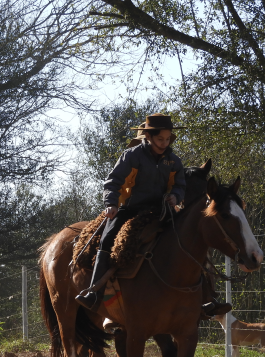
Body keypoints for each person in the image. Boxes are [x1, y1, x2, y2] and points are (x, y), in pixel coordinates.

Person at [75, 113, 231, 317]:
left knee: (191, 242)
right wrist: (111, 204)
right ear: (148, 137)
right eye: (160, 139)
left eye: (168, 139)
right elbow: (112, 182)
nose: (164, 143)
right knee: (106, 241)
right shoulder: (131, 155)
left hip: (161, 211)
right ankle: (94, 293)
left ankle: (206, 298)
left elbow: (180, 186)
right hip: (129, 210)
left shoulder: (174, 161)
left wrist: (175, 196)